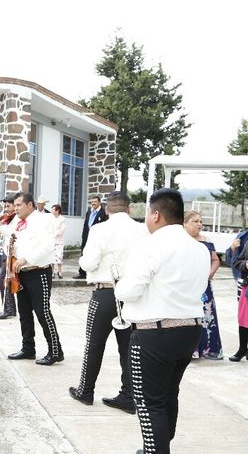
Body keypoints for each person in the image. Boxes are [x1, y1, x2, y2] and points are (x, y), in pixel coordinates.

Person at [116, 188, 209, 454]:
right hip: (190, 329)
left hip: (154, 334)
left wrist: (120, 282)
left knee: (149, 404)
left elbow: (128, 291)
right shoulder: (199, 248)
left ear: (156, 215)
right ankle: (158, 447)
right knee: (169, 395)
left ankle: (155, 449)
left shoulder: (151, 245)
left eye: (147, 212)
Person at [68, 191, 147, 414]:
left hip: (106, 292)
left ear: (106, 209)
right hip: (132, 296)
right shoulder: (142, 230)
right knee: (129, 347)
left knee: (94, 344)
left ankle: (86, 390)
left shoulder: (100, 229)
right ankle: (129, 396)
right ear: (129, 209)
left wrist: (84, 259)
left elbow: (89, 263)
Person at [7, 192, 64, 365]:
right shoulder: (16, 222)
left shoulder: (44, 220)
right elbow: (13, 244)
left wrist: (26, 259)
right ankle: (28, 348)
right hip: (21, 273)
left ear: (30, 205)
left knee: (42, 312)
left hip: (39, 271)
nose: (15, 208)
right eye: (14, 205)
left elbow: (47, 246)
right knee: (24, 312)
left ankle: (55, 351)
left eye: (18, 205)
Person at [183, 210, 223, 360]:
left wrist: (209, 274)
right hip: (185, 285)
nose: (199, 224)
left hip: (204, 286)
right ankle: (189, 349)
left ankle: (206, 349)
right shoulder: (181, 241)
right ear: (184, 223)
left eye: (200, 221)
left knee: (206, 316)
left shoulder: (206, 240)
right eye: (195, 221)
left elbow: (216, 260)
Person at [0, 195, 18, 319]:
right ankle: (9, 308)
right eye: (5, 206)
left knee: (4, 280)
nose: (6, 209)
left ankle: (9, 309)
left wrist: (1, 227)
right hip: (6, 251)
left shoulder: (17, 218)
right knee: (4, 280)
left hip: (12, 253)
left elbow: (8, 232)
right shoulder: (7, 219)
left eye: (8, 206)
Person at [74, 196, 108, 279]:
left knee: (95, 255)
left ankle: (94, 273)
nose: (93, 203)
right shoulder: (89, 211)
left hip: (97, 238)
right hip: (86, 237)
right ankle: (82, 273)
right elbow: (86, 225)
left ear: (99, 202)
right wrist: (83, 236)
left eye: (95, 201)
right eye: (92, 202)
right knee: (84, 254)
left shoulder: (103, 212)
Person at [228, 229, 248, 362]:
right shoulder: (245, 239)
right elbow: (236, 262)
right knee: (243, 319)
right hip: (246, 286)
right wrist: (246, 264)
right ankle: (242, 349)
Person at [51, 204, 66, 279]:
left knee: (59, 257)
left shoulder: (62, 219)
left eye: (53, 209)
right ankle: (52, 272)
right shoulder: (51, 219)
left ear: (57, 211)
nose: (52, 210)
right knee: (52, 257)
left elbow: (62, 230)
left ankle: (60, 272)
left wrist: (55, 233)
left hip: (59, 241)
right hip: (52, 241)